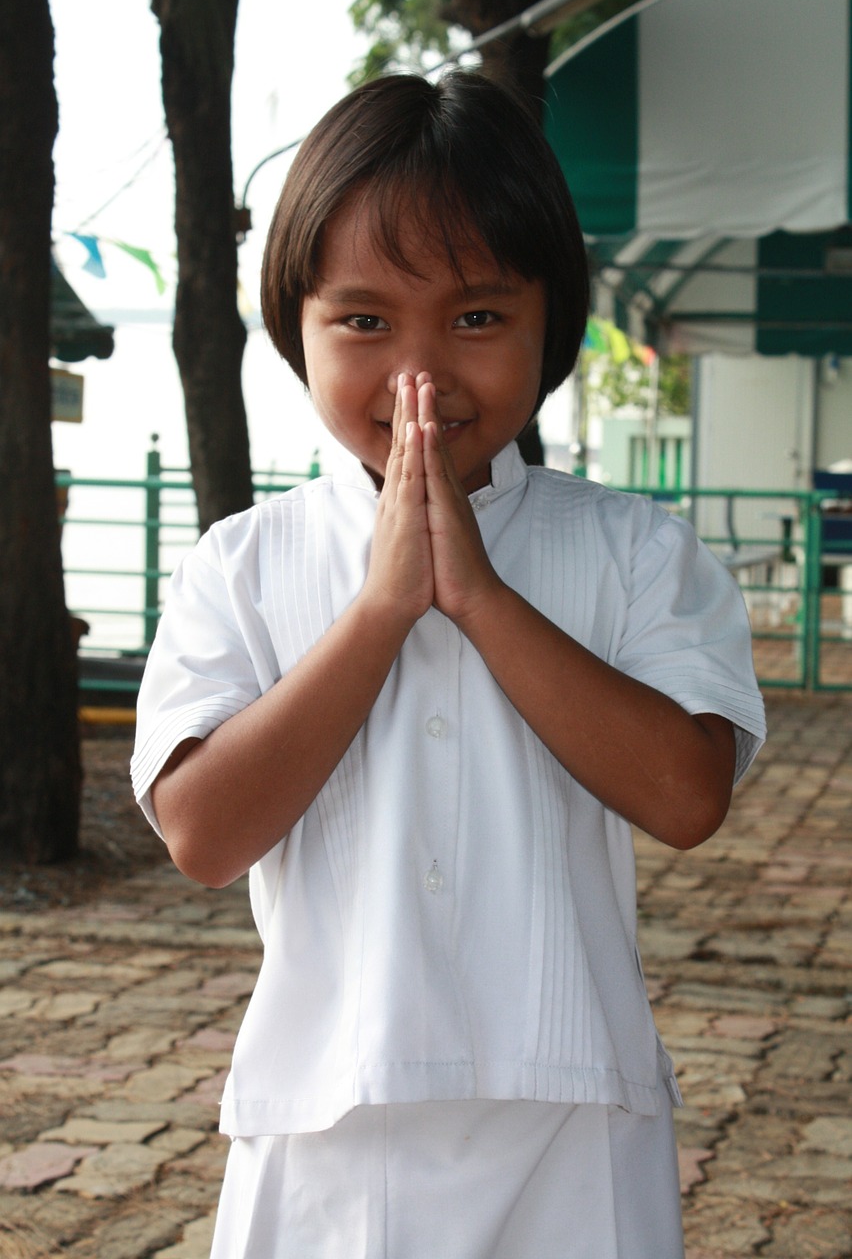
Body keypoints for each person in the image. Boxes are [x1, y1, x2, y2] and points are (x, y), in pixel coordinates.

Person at [131, 71, 766, 1259]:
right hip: (322, 1124)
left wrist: (474, 594)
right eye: (365, 322)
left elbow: (687, 795)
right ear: (294, 327)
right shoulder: (245, 564)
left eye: (477, 318)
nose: (419, 372)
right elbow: (203, 835)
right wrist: (381, 611)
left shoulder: (632, 550)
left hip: (575, 1120)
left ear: (552, 325)